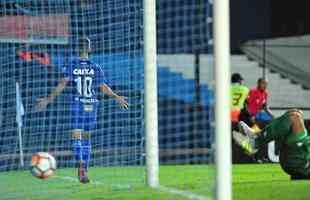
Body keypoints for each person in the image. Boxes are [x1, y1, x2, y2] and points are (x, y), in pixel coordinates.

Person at [35, 37, 129, 183]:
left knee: (76, 136)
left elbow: (62, 84)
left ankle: (80, 164)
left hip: (77, 105)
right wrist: (116, 96)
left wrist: (48, 99)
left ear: (76, 49)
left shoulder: (72, 64)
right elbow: (102, 87)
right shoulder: (95, 66)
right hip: (92, 106)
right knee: (86, 138)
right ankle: (84, 167)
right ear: (89, 49)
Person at [233, 109, 310, 179]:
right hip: (298, 158)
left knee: (295, 117)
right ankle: (257, 136)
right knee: (293, 112)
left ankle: (255, 142)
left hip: (301, 161)